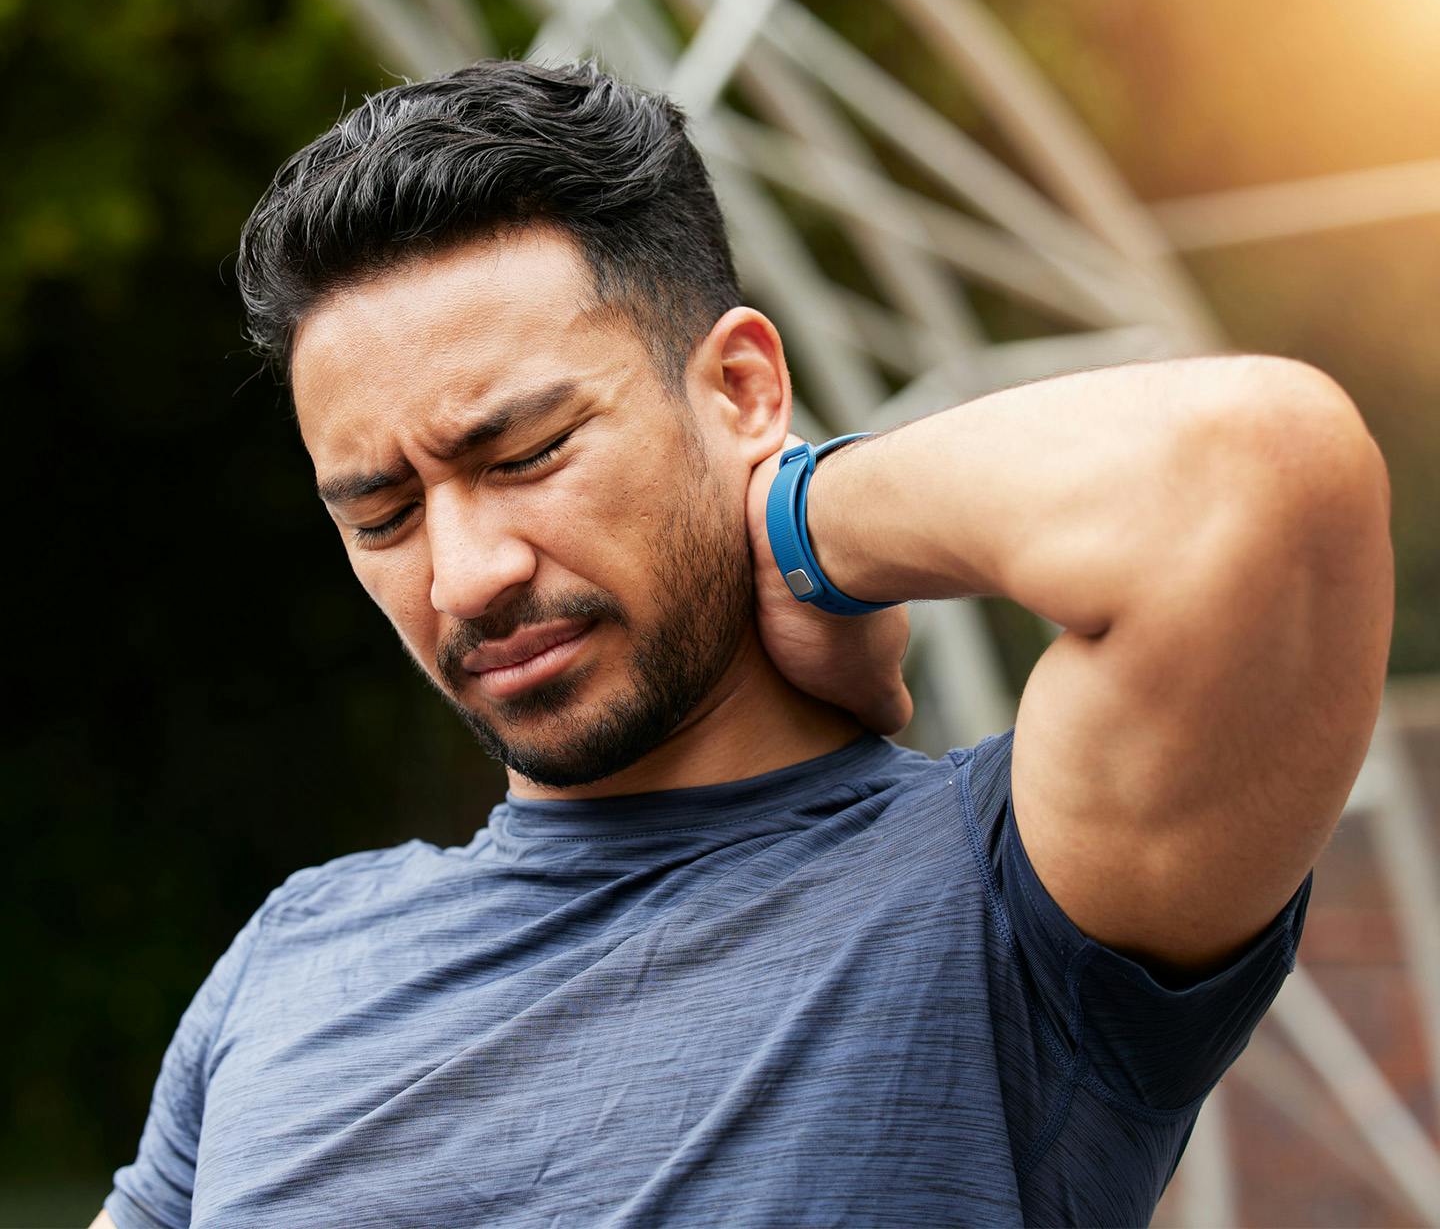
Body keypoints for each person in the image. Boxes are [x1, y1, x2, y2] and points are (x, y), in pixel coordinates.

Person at [97, 60, 1392, 1229]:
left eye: (531, 453)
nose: (466, 576)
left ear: (740, 389)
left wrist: (803, 519)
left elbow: (1258, 483)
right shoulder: (298, 953)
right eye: (382, 513)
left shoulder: (1006, 899)